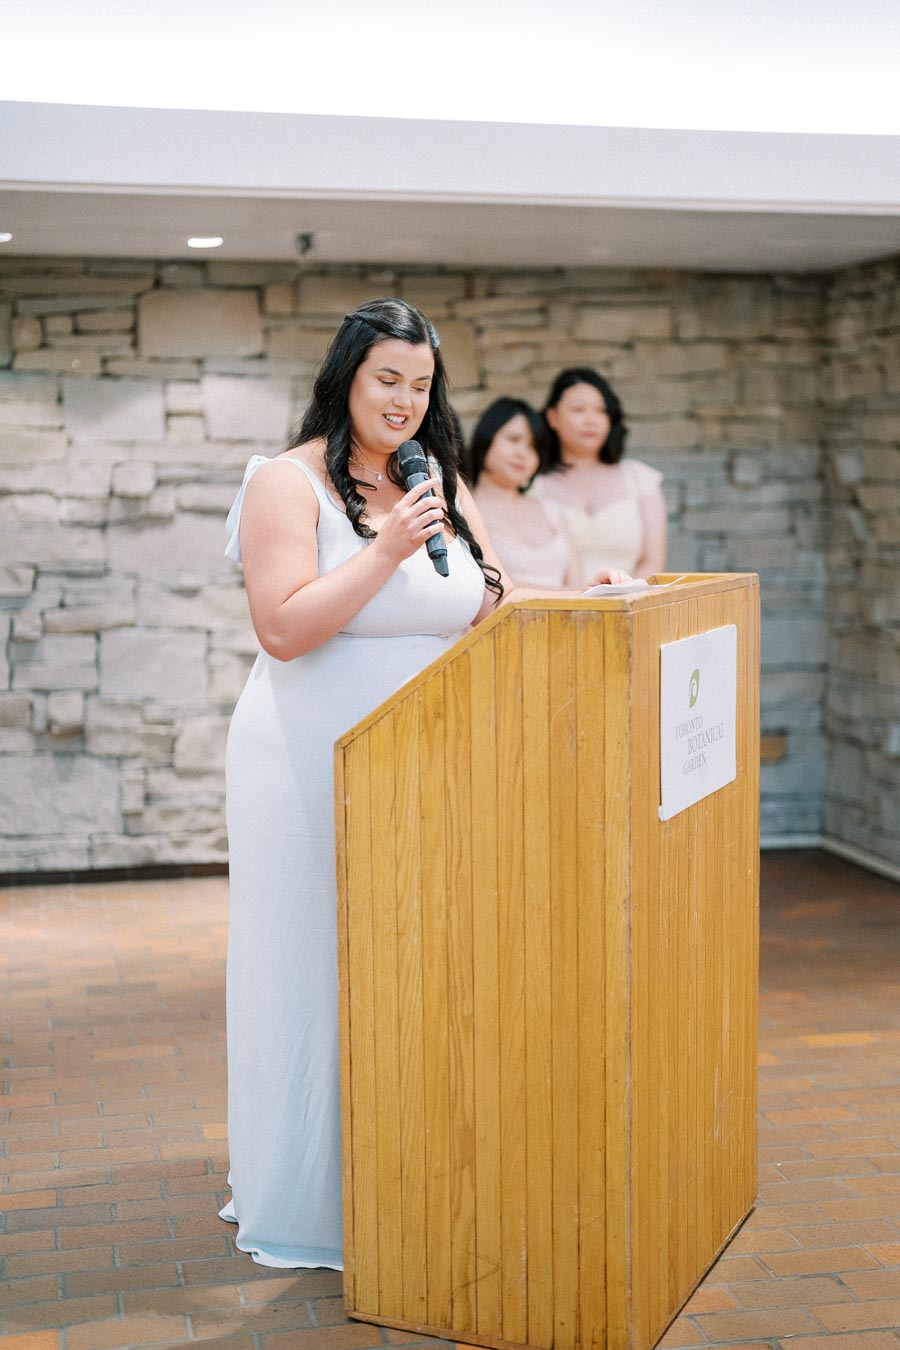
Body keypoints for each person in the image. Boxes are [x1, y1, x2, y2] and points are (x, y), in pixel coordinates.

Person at [219, 299, 527, 1271]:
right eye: (387, 378)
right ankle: (308, 1199)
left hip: (426, 764)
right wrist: (389, 550)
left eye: (422, 383)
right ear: (348, 377)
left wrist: (567, 603)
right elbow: (285, 627)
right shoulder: (287, 482)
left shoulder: (437, 482)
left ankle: (411, 1182)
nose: (405, 399)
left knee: (421, 969)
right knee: (314, 967)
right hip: (305, 761)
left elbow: (487, 603)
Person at [536, 367, 667, 581]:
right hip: (557, 607)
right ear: (553, 417)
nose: (591, 420)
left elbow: (653, 562)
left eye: (601, 410)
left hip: (631, 604)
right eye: (579, 409)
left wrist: (619, 599)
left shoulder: (639, 478)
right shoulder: (534, 486)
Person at [470, 396, 578, 590]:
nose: (523, 453)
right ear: (485, 438)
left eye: (533, 447)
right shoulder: (462, 508)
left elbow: (578, 585)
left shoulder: (550, 510)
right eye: (514, 439)